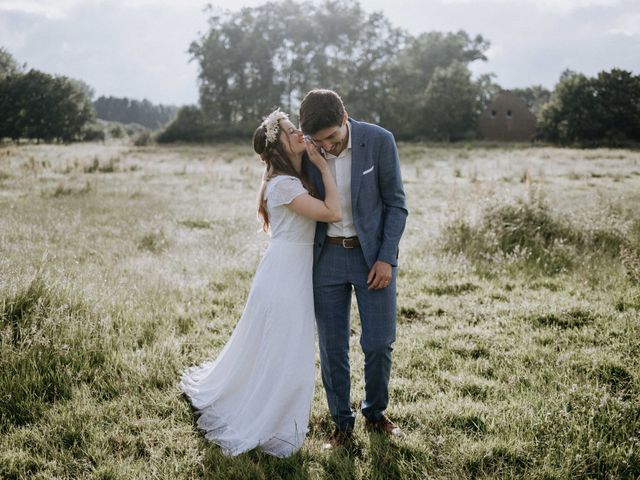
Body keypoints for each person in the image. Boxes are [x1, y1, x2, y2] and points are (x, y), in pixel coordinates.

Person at [179, 109, 341, 457]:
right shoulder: (283, 184)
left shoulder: (289, 179)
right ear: (277, 146)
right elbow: (332, 213)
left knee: (282, 345)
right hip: (285, 275)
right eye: (288, 130)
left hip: (289, 269)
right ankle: (268, 418)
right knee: (285, 348)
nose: (298, 132)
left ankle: (271, 406)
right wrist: (325, 169)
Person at [299, 89, 408, 450]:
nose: (327, 147)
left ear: (345, 118)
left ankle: (376, 414)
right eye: (319, 141)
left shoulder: (379, 141)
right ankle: (341, 424)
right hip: (325, 258)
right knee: (332, 348)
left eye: (332, 137)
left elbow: (396, 204)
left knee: (378, 343)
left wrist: (386, 257)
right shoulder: (308, 151)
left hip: (372, 258)